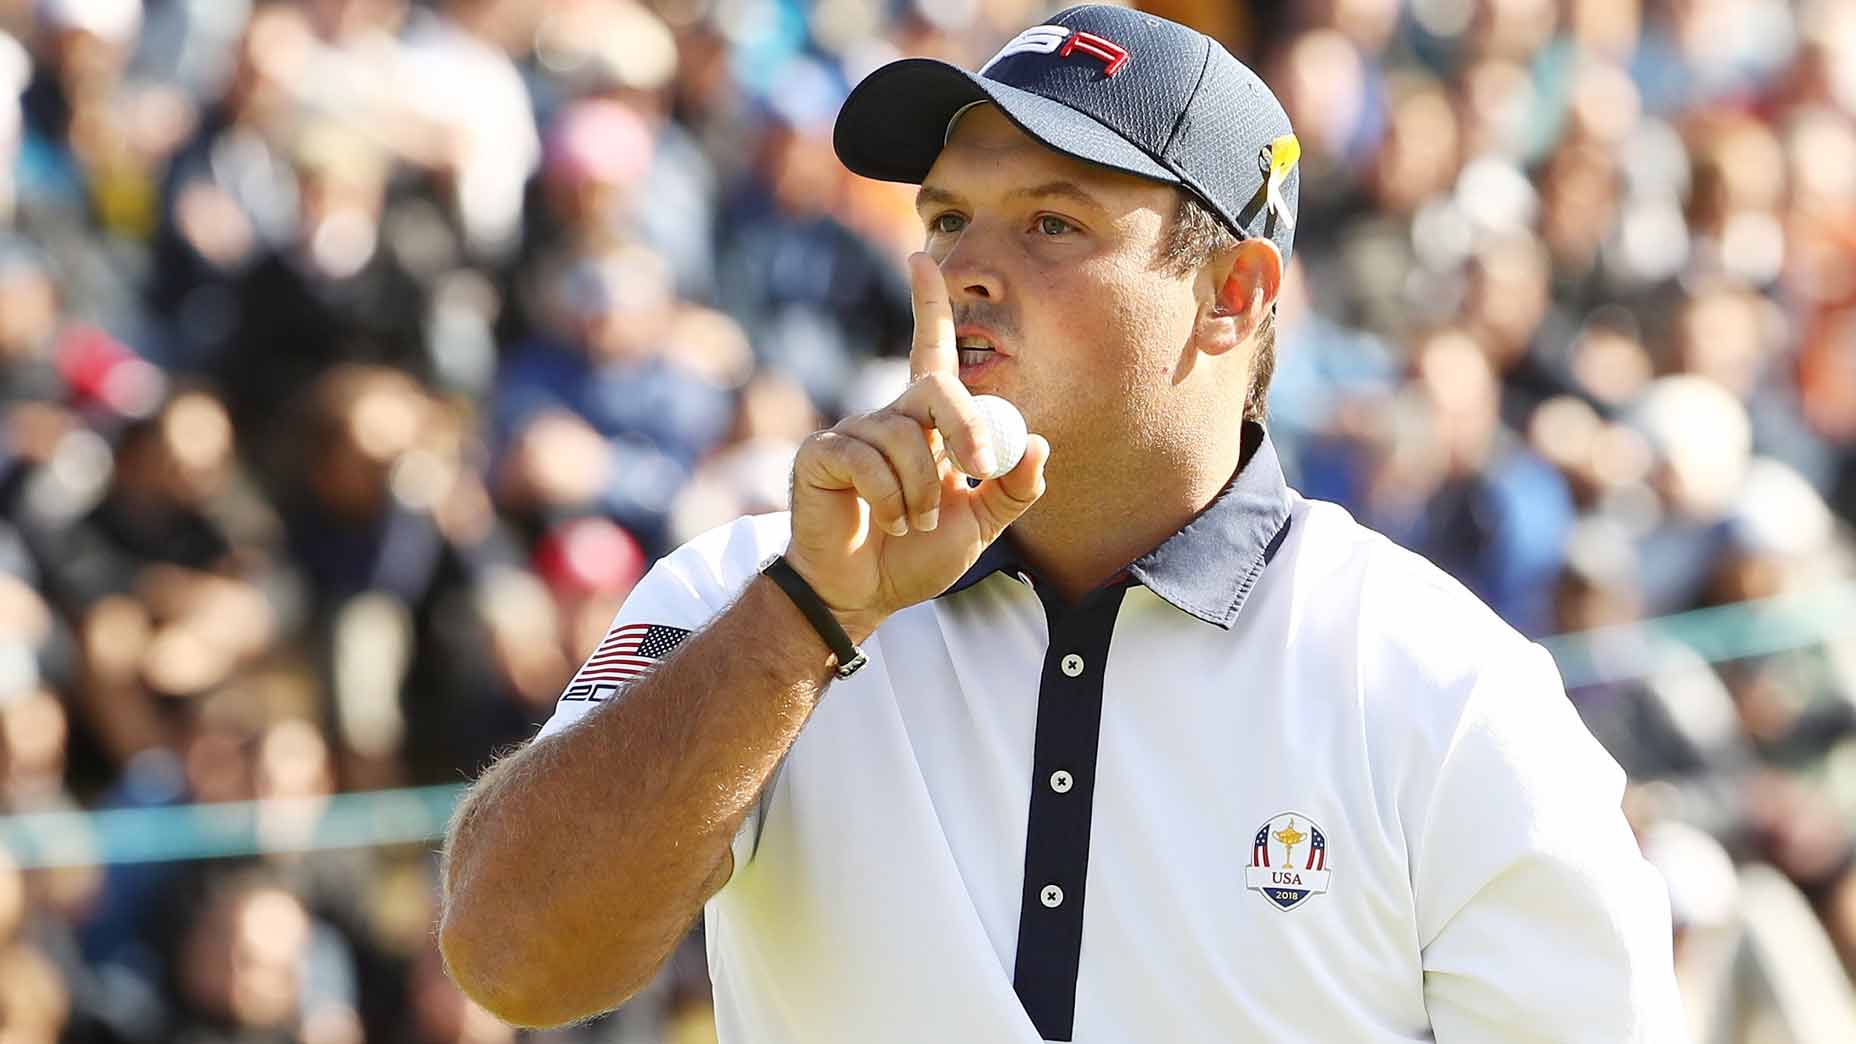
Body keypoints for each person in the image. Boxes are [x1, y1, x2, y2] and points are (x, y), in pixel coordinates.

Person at [437, 6, 1684, 1041]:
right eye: (943, 220)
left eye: (1049, 222)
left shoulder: (1445, 688)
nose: (964, 268)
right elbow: (511, 960)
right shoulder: (743, 593)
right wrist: (810, 619)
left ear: (1230, 293)